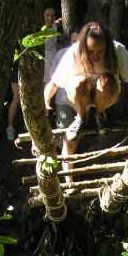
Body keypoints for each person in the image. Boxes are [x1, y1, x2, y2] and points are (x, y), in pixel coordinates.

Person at [44, 22, 128, 147]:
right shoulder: (75, 52)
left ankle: (99, 115)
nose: (95, 56)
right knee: (80, 82)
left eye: (100, 52)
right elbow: (54, 82)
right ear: (84, 47)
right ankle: (80, 118)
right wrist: (45, 101)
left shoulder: (117, 49)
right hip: (80, 95)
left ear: (107, 47)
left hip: (107, 93)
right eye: (90, 51)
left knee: (106, 80)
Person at [6, 5, 60, 141]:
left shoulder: (54, 26)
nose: (50, 18)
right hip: (29, 66)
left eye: (52, 15)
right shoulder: (37, 32)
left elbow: (57, 23)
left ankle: (37, 126)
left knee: (43, 96)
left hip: (50, 64)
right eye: (47, 15)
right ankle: (10, 126)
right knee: (18, 98)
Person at [44, 29, 80, 185]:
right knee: (69, 140)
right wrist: (46, 101)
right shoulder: (62, 55)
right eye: (74, 41)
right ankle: (68, 179)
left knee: (76, 139)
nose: (76, 45)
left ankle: (69, 170)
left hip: (82, 104)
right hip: (63, 101)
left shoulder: (91, 55)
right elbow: (52, 80)